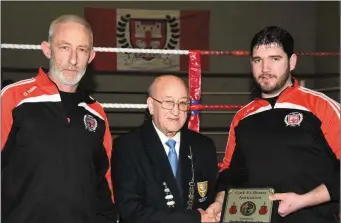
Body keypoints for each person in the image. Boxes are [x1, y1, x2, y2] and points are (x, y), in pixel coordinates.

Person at [206, 26, 340, 223]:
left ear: (292, 61)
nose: (265, 69)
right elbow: (230, 173)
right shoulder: (242, 117)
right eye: (258, 60)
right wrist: (219, 202)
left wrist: (304, 200)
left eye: (275, 59)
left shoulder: (322, 107)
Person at [1, 14, 116, 223]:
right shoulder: (14, 98)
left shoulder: (96, 113)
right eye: (64, 47)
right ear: (47, 49)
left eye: (82, 50)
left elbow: (103, 182)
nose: (73, 59)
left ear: (91, 56)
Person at [111, 75, 219, 223]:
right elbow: (131, 210)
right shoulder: (127, 147)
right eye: (168, 102)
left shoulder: (204, 146)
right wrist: (194, 219)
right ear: (150, 105)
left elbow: (210, 198)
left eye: (182, 103)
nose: (176, 111)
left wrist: (217, 208)